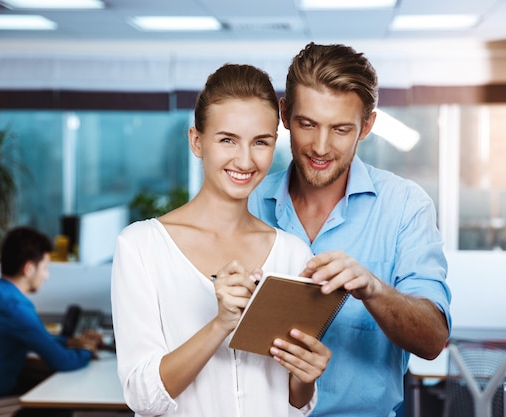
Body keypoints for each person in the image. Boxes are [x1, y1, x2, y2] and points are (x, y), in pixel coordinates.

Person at [111, 63, 331, 417]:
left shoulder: (293, 253)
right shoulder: (141, 247)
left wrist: (306, 377)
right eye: (227, 139)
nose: (245, 160)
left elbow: (294, 405)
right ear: (197, 141)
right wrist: (221, 325)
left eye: (260, 142)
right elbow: (142, 397)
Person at [248, 42, 452, 417]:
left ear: (367, 126)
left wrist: (373, 289)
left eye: (341, 129)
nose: (320, 147)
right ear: (284, 114)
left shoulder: (405, 206)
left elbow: (433, 340)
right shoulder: (247, 202)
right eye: (306, 124)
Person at [0, 226, 102, 416]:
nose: (46, 275)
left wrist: (70, 341)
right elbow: (62, 361)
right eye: (45, 268)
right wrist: (87, 350)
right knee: (57, 408)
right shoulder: (15, 308)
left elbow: (33, 339)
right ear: (29, 268)